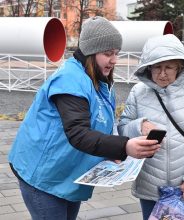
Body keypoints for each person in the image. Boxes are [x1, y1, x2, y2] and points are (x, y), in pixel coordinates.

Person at [8, 16, 160, 220]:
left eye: (116, 53)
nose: (114, 60)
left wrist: (117, 145)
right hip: (44, 177)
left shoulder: (99, 81)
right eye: (108, 53)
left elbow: (103, 125)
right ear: (90, 52)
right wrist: (124, 146)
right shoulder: (71, 80)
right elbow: (79, 133)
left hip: (67, 174)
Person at [117, 34, 184, 220]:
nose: (162, 73)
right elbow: (123, 127)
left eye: (169, 67)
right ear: (148, 67)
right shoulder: (138, 92)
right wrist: (139, 125)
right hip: (151, 187)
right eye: (157, 67)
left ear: (179, 66)